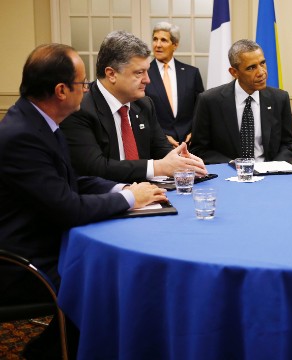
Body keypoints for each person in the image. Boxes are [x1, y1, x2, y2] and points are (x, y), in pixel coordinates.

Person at [0, 43, 167, 359]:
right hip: (22, 261)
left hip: (44, 240)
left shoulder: (40, 122)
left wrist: (122, 188)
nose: (87, 89)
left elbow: (72, 182)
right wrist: (131, 198)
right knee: (111, 280)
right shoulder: (23, 135)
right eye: (82, 84)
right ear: (61, 90)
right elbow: (68, 208)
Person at [60, 30, 207, 183]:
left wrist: (184, 161)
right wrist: (157, 167)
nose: (147, 80)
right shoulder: (79, 108)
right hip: (105, 199)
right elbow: (95, 167)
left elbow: (161, 150)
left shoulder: (144, 104)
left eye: (147, 72)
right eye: (139, 73)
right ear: (111, 74)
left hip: (148, 194)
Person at [190, 39, 292, 164]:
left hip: (269, 176)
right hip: (228, 176)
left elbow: (287, 145)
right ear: (234, 72)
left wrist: (272, 168)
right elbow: (199, 150)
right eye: (251, 68)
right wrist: (232, 164)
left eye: (262, 63)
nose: (261, 72)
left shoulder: (280, 98)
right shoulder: (209, 101)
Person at [145, 22, 204, 147]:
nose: (158, 45)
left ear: (175, 45)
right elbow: (139, 113)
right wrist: (161, 137)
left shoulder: (192, 73)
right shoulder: (143, 73)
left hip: (189, 145)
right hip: (157, 146)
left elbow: (201, 109)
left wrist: (195, 131)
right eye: (155, 39)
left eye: (164, 40)